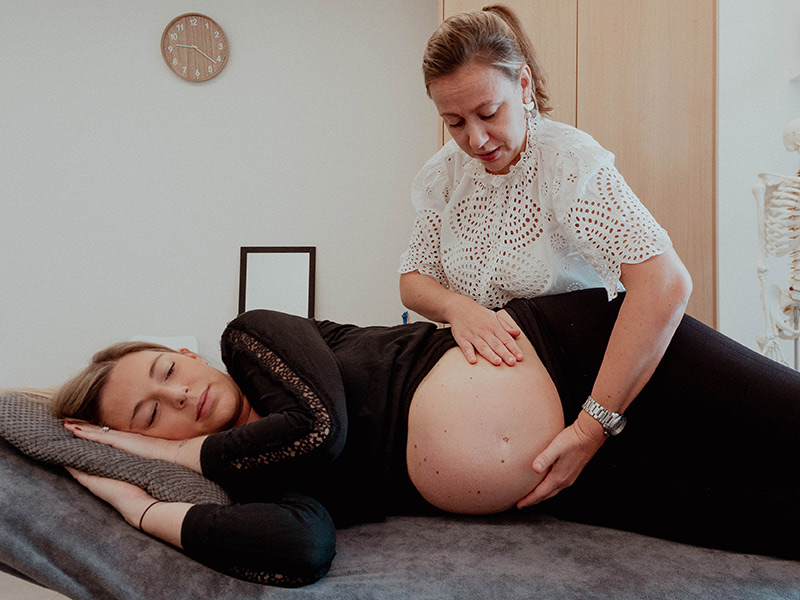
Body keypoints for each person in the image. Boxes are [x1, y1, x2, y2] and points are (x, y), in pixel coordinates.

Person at [54, 290, 800, 590]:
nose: (178, 394)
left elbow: (319, 429)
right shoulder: (255, 480)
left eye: (162, 371)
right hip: (587, 479)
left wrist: (178, 453)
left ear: (183, 353)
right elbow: (301, 551)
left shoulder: (252, 338)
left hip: (602, 359)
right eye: (152, 416)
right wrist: (135, 503)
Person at [398, 5, 693, 507]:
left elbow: (665, 283)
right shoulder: (444, 174)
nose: (475, 139)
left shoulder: (567, 162)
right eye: (454, 122)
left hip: (597, 377)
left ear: (525, 84)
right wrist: (458, 308)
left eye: (489, 113)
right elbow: (413, 279)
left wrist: (591, 428)